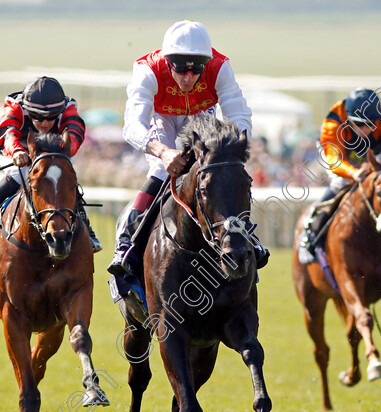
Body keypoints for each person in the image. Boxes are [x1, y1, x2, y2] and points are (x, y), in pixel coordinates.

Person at [108, 20, 266, 277]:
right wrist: (163, 152)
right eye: (181, 69)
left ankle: (246, 236)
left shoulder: (220, 66)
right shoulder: (147, 70)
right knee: (162, 170)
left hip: (202, 116)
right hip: (164, 118)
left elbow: (239, 114)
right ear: (167, 61)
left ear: (207, 63)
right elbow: (132, 125)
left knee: (219, 172)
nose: (188, 77)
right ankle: (128, 240)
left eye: (196, 70)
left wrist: (232, 150)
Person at [0, 76, 101, 251]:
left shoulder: (69, 107)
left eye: (51, 118)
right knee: (16, 175)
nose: (44, 123)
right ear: (29, 110)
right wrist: (17, 151)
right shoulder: (15, 105)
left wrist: (62, 150)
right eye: (37, 117)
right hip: (19, 151)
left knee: (63, 179)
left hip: (54, 150)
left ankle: (87, 228)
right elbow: (8, 131)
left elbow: (75, 131)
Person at [301, 88, 381, 249]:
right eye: (359, 124)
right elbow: (334, 160)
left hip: (369, 152)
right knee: (342, 182)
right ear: (349, 119)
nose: (365, 129)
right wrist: (353, 172)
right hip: (338, 153)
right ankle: (313, 229)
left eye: (370, 124)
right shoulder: (333, 123)